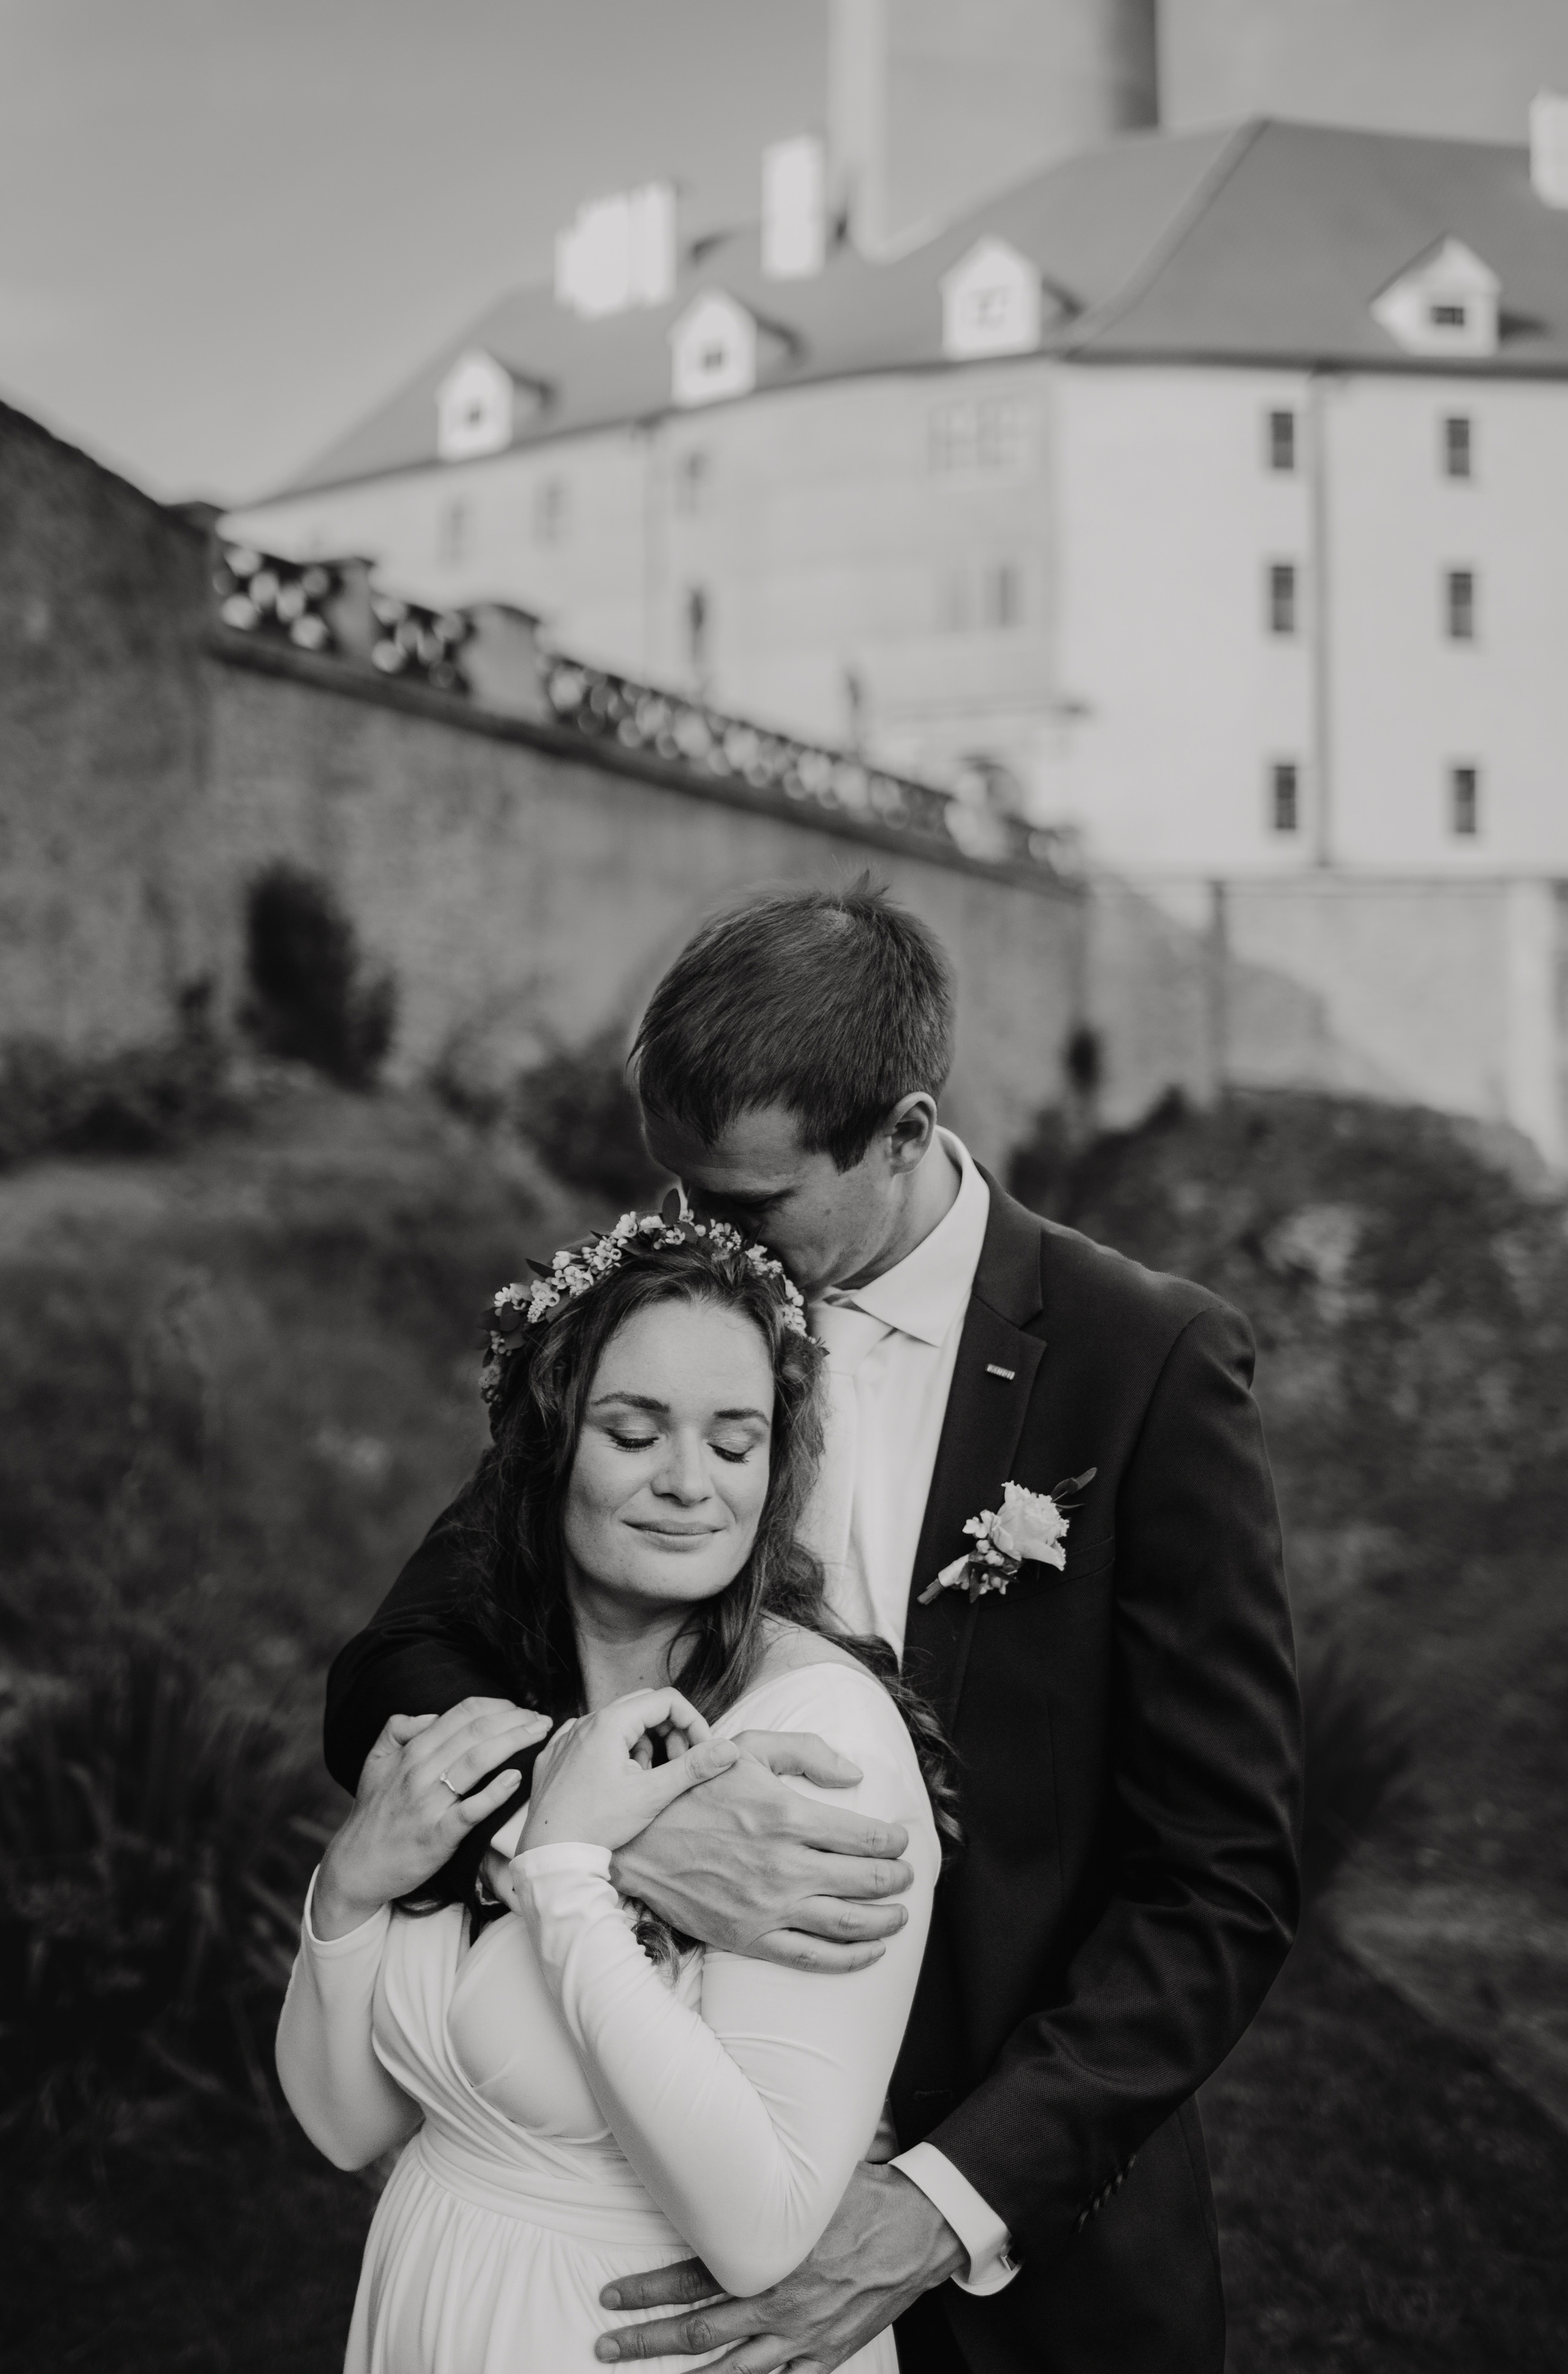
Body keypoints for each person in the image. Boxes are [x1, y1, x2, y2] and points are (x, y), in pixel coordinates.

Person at [325, 881, 1304, 2373]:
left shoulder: (1141, 1365)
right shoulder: (664, 1324)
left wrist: (938, 2204)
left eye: (743, 1202)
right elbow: (396, 1670)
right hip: (647, 2211)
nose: (692, 1232)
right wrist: (587, 1832)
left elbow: (1219, 1881)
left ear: (904, 1135)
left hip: (1017, 2271)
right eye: (676, 1189)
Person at [279, 1213, 947, 2373]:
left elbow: (763, 2223)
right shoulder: (501, 1710)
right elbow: (349, 2124)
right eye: (635, 1433)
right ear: (546, 1451)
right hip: (425, 2311)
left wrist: (571, 1881)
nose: (690, 1484)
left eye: (736, 1445)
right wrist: (341, 1898)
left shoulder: (813, 1740)